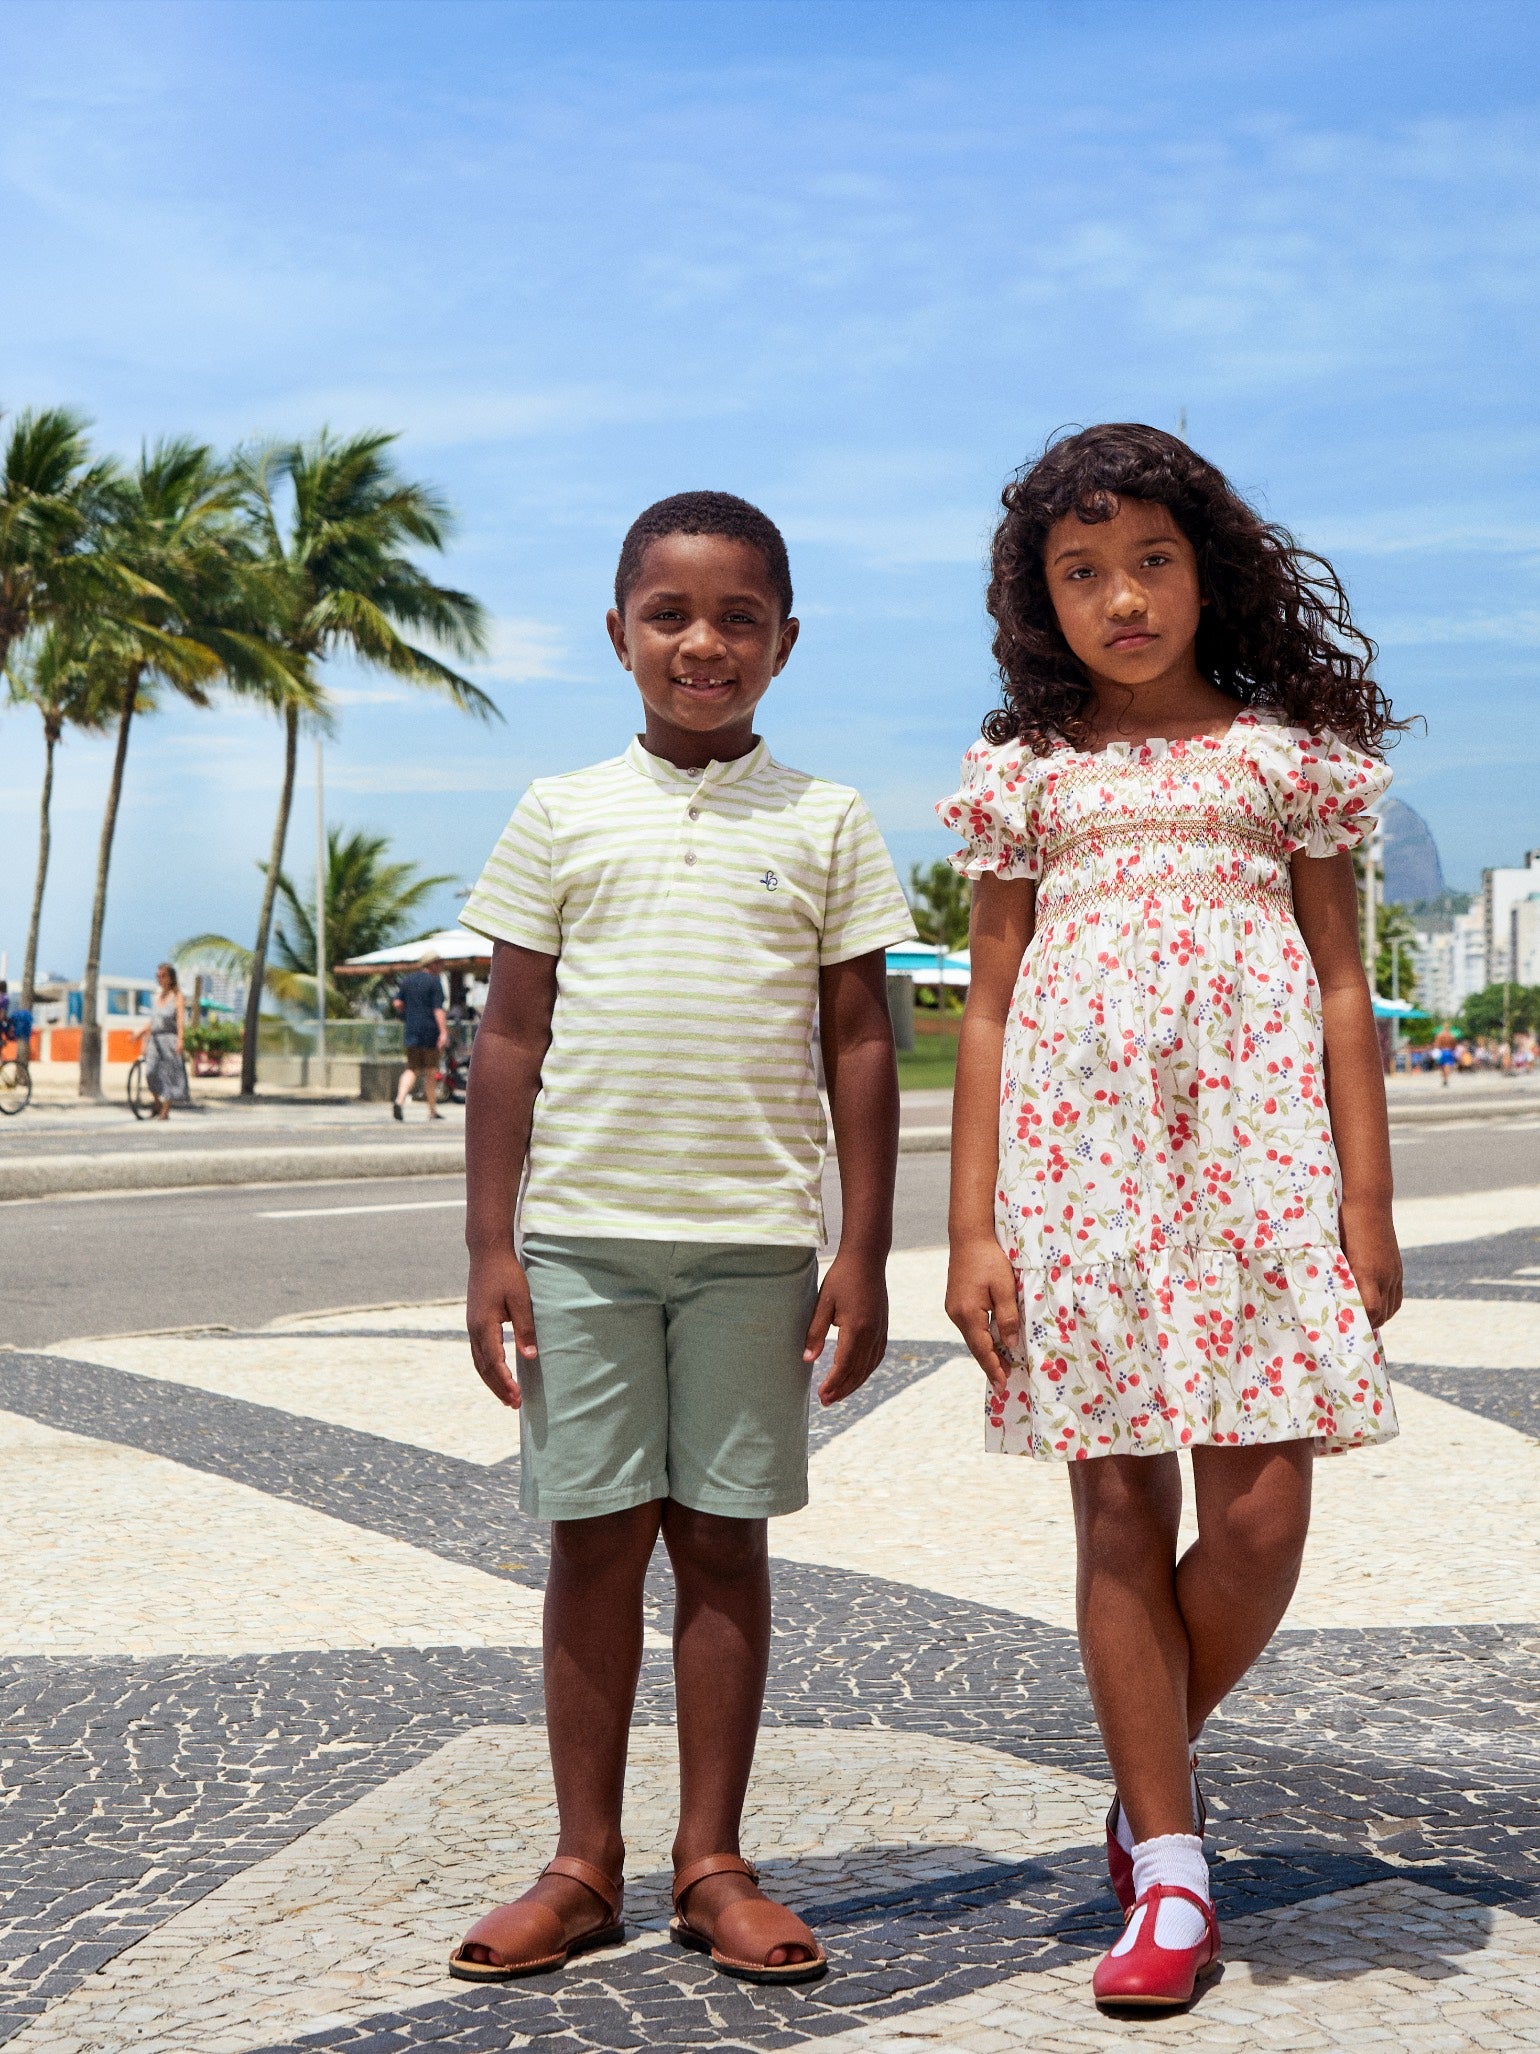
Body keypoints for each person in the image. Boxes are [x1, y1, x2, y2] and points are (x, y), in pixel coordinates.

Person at [939, 425, 1404, 2012]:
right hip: (1079, 1183)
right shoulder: (1027, 775)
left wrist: (1366, 1200)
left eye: (1151, 561)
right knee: (1120, 1520)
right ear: (1040, 599)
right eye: (1082, 572)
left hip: (1260, 1178)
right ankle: (1175, 1862)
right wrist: (972, 1228)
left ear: (1210, 570)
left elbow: (1340, 982)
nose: (1122, 599)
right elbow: (986, 1003)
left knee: (1263, 1517)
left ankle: (1143, 1777)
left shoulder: (1286, 759)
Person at [450, 491, 913, 1986]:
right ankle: (581, 1862)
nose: (702, 643)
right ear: (618, 632)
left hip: (753, 1242)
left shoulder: (827, 819)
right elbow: (509, 1035)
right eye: (670, 615)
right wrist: (490, 1243)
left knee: (722, 1541)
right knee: (592, 1540)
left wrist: (862, 1248)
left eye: (738, 618)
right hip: (581, 1239)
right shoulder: (559, 810)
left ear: (785, 641)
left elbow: (861, 1041)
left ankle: (711, 1859)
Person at [393, 950, 448, 1121]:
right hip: (430, 1031)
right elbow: (438, 1009)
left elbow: (397, 1003)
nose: (441, 966)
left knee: (412, 1069)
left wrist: (410, 1012)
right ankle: (432, 1111)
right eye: (439, 963)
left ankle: (399, 1100)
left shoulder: (408, 980)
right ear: (431, 964)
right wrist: (443, 1032)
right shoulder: (434, 982)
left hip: (411, 1030)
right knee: (431, 1071)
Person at [138, 963, 188, 1120]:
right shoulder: (157, 997)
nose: (159, 979)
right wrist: (141, 1036)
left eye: (163, 976)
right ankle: (157, 1104)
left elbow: (180, 1021)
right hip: (154, 1040)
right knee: (150, 1072)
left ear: (170, 978)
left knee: (170, 1075)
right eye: (158, 976)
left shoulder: (177, 996)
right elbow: (152, 1022)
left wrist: (180, 1039)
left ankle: (165, 1111)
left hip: (170, 1039)